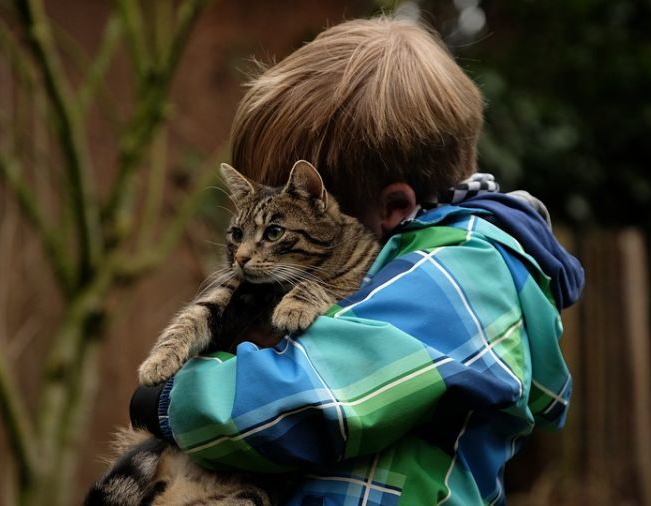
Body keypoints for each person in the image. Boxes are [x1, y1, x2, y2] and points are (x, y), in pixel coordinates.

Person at [130, 17, 584, 505]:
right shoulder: (418, 266)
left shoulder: (467, 273)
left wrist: (170, 404)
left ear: (393, 209)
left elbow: (311, 402)